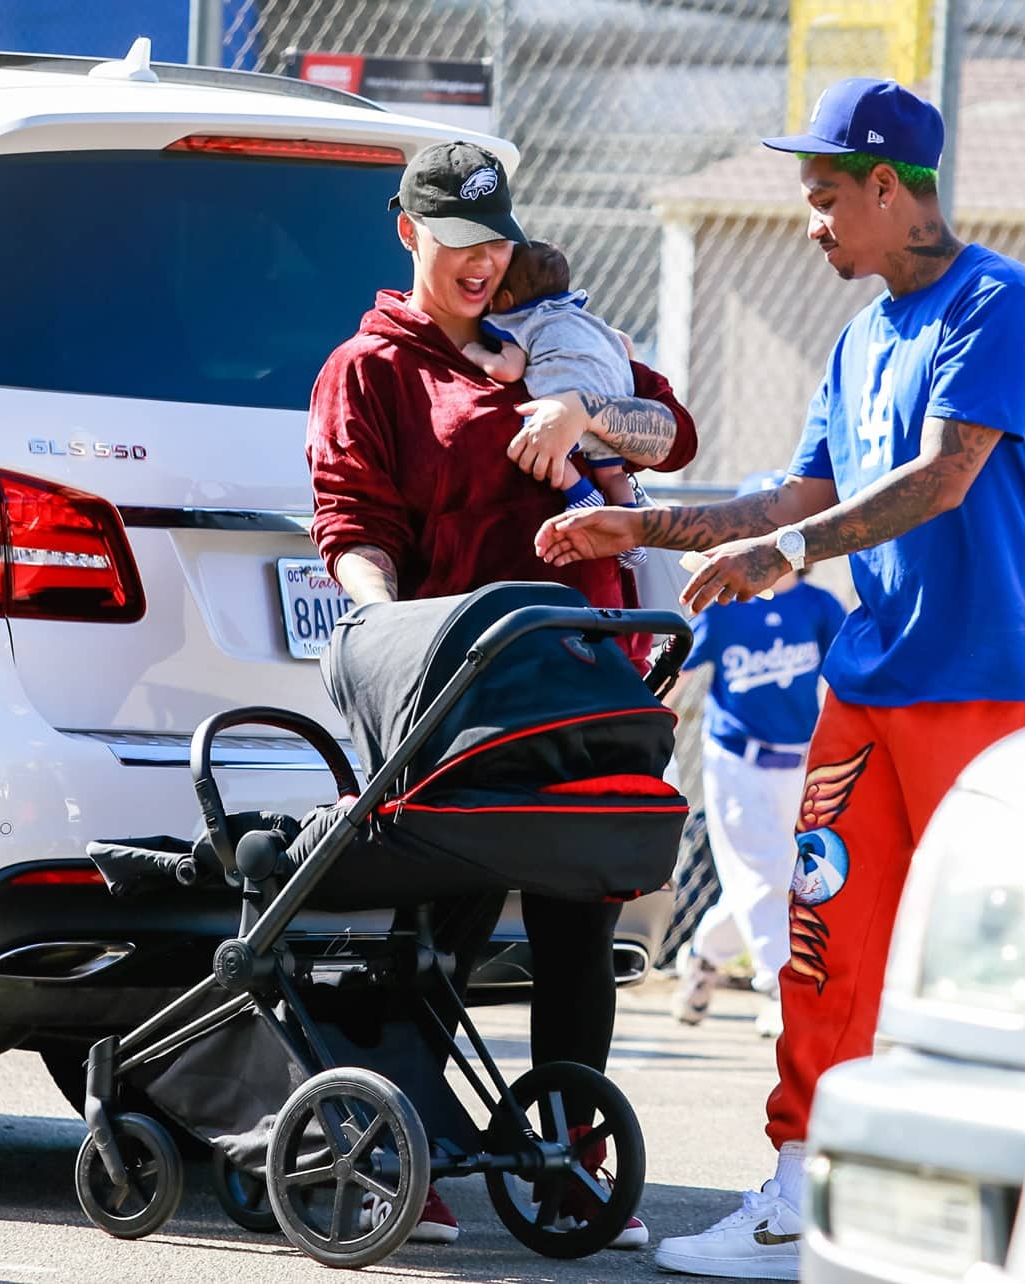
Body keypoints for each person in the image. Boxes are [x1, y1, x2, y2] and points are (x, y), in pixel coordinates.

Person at [534, 77, 1025, 1279]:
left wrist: (785, 553)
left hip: (990, 688)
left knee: (994, 960)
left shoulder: (1001, 306)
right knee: (821, 931)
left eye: (827, 196)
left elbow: (943, 475)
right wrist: (649, 531)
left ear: (891, 188)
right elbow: (794, 499)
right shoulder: (859, 336)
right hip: (870, 686)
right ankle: (799, 1190)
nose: (813, 220)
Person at [306, 138, 697, 1248]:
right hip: (465, 686)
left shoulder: (556, 337)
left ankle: (570, 1165)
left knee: (579, 929)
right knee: (444, 925)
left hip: (583, 679)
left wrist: (586, 418)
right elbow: (352, 524)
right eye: (459, 244)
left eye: (498, 243)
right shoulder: (372, 369)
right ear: (407, 232)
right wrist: (386, 624)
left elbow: (673, 432)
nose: (482, 266)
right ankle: (398, 1160)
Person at [669, 471, 845, 1040]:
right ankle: (780, 988)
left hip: (801, 763)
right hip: (736, 761)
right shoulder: (725, 607)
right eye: (765, 530)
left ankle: (702, 955)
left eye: (785, 531)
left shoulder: (819, 606)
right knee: (767, 875)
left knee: (769, 876)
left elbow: (845, 676)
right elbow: (680, 670)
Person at [463, 240, 647, 566]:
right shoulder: (579, 316)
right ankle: (632, 528)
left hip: (567, 415)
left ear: (504, 299)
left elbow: (508, 369)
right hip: (614, 407)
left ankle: (579, 493)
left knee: (534, 438)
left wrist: (475, 352)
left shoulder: (519, 321)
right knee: (614, 474)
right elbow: (625, 344)